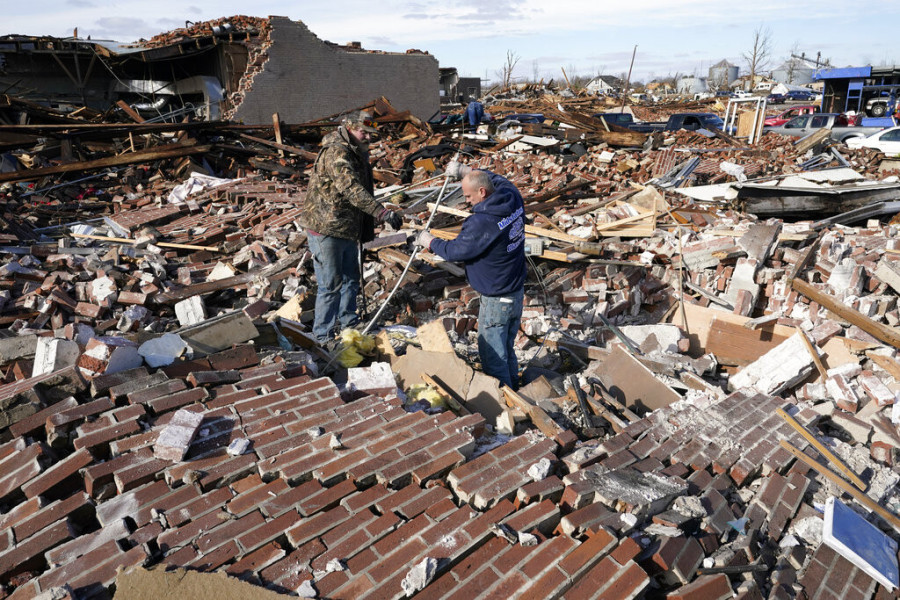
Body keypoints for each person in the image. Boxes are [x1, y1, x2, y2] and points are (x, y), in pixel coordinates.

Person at [417, 164, 526, 389]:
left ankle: (504, 399)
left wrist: (428, 241)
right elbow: (497, 177)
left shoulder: (481, 222)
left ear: (482, 192)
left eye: (468, 196)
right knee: (506, 346)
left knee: (493, 354)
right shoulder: (510, 196)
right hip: (515, 290)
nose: (466, 201)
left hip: (498, 297)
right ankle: (515, 387)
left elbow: (456, 251)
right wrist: (464, 170)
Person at [302, 111, 402, 344]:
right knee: (330, 284)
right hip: (326, 227)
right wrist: (381, 212)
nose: (367, 137)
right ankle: (323, 335)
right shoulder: (338, 152)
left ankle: (349, 322)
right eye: (363, 132)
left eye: (370, 134)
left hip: (346, 226)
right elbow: (351, 188)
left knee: (350, 280)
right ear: (349, 129)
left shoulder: (357, 151)